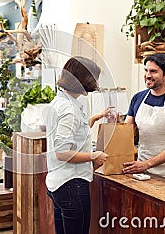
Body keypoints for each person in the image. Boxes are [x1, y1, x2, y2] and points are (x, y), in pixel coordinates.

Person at [43, 56, 109, 234]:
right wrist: (94, 156)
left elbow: (73, 133)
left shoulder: (59, 103)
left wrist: (94, 118)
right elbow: (62, 152)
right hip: (72, 186)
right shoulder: (69, 110)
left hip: (58, 185)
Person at [123, 53, 165, 182]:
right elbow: (126, 132)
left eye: (153, 71)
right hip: (141, 171)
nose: (148, 75)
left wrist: (147, 163)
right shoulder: (137, 98)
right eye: (146, 70)